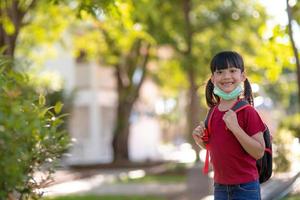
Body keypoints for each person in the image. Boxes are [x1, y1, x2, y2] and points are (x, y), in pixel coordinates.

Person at [192, 51, 266, 200]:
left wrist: (236, 128)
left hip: (245, 187)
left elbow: (259, 151)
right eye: (220, 72)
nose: (226, 76)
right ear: (213, 78)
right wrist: (200, 141)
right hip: (219, 187)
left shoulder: (248, 112)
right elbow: (216, 147)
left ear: (242, 76)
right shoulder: (212, 113)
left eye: (232, 71)